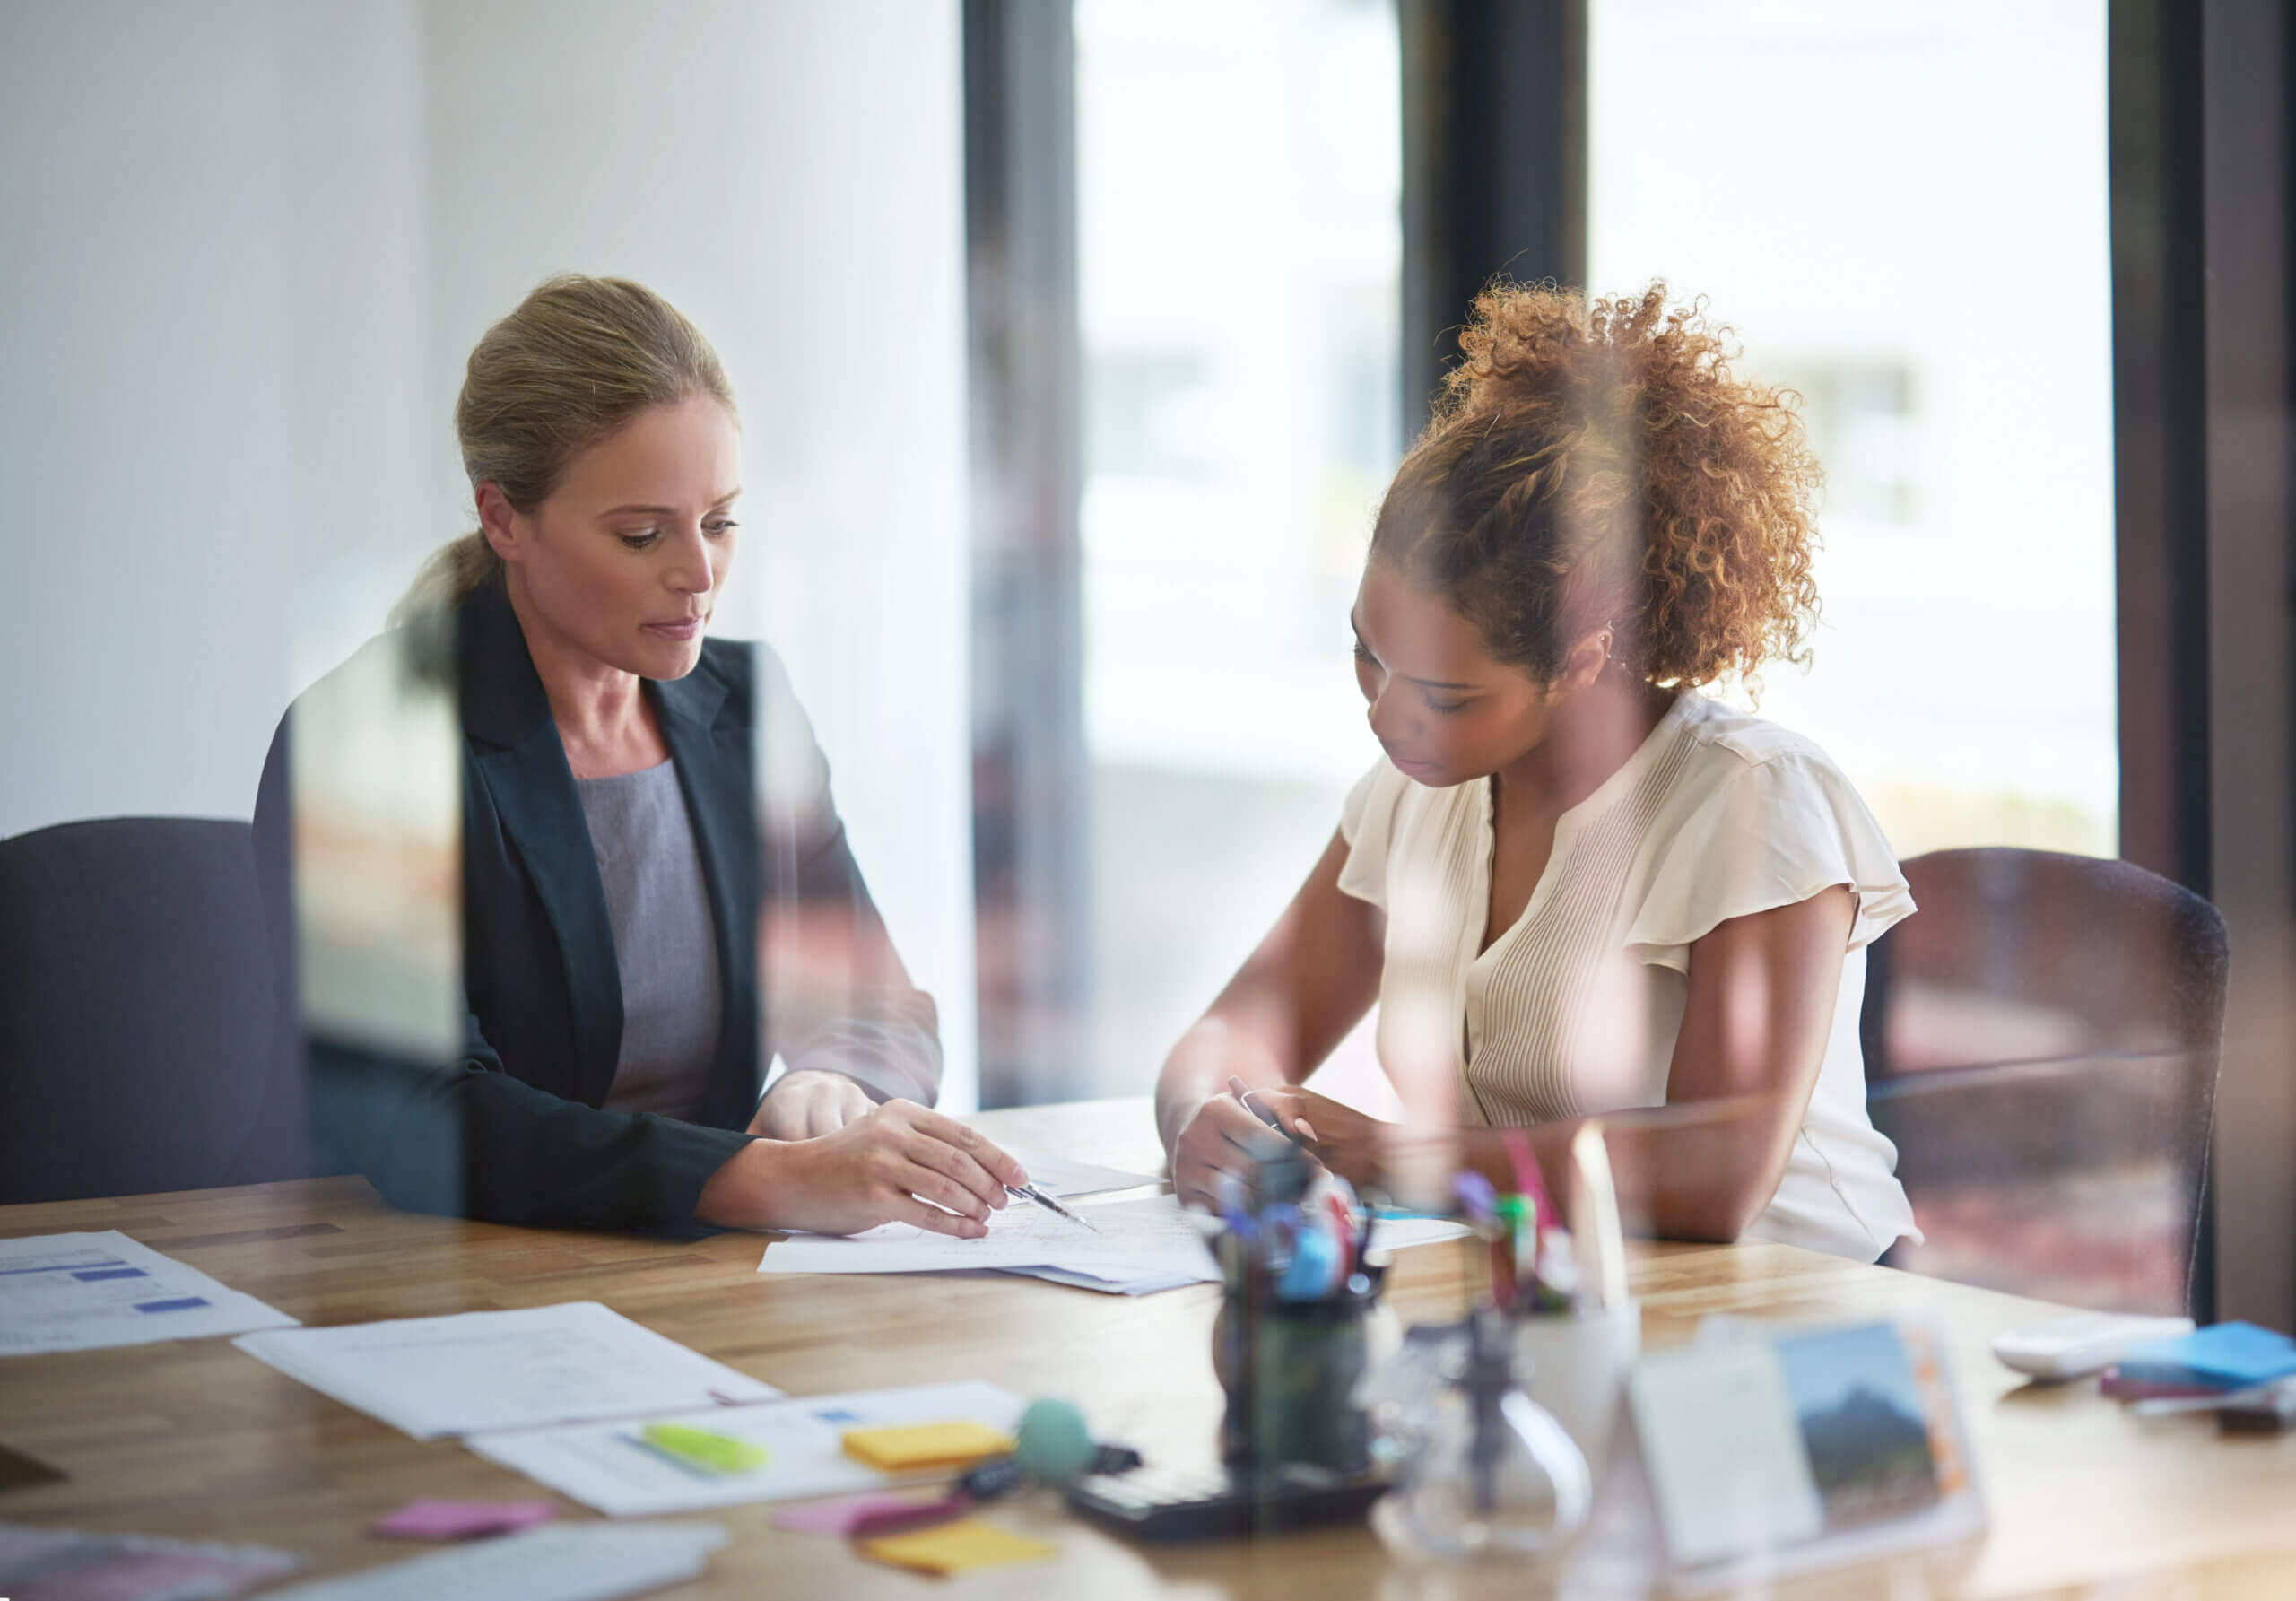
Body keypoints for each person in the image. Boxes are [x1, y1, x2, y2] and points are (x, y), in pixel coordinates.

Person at [1155, 283, 1919, 1262]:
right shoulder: (1411, 797)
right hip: (1559, 1302)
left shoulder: (1749, 798)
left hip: (1798, 1316)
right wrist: (1206, 1117)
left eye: (1446, 695)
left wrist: (1396, 1156)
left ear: (1581, 660)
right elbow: (1232, 1030)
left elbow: (1718, 1173)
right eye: (1366, 656)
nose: (1387, 716)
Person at [255, 274, 1023, 1238]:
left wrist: (831, 1086)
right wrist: (757, 1178)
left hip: (693, 1285)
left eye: (721, 521)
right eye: (641, 533)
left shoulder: (746, 706)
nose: (698, 575)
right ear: (503, 520)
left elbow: (882, 1007)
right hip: (430, 1281)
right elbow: (423, 1115)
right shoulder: (364, 740)